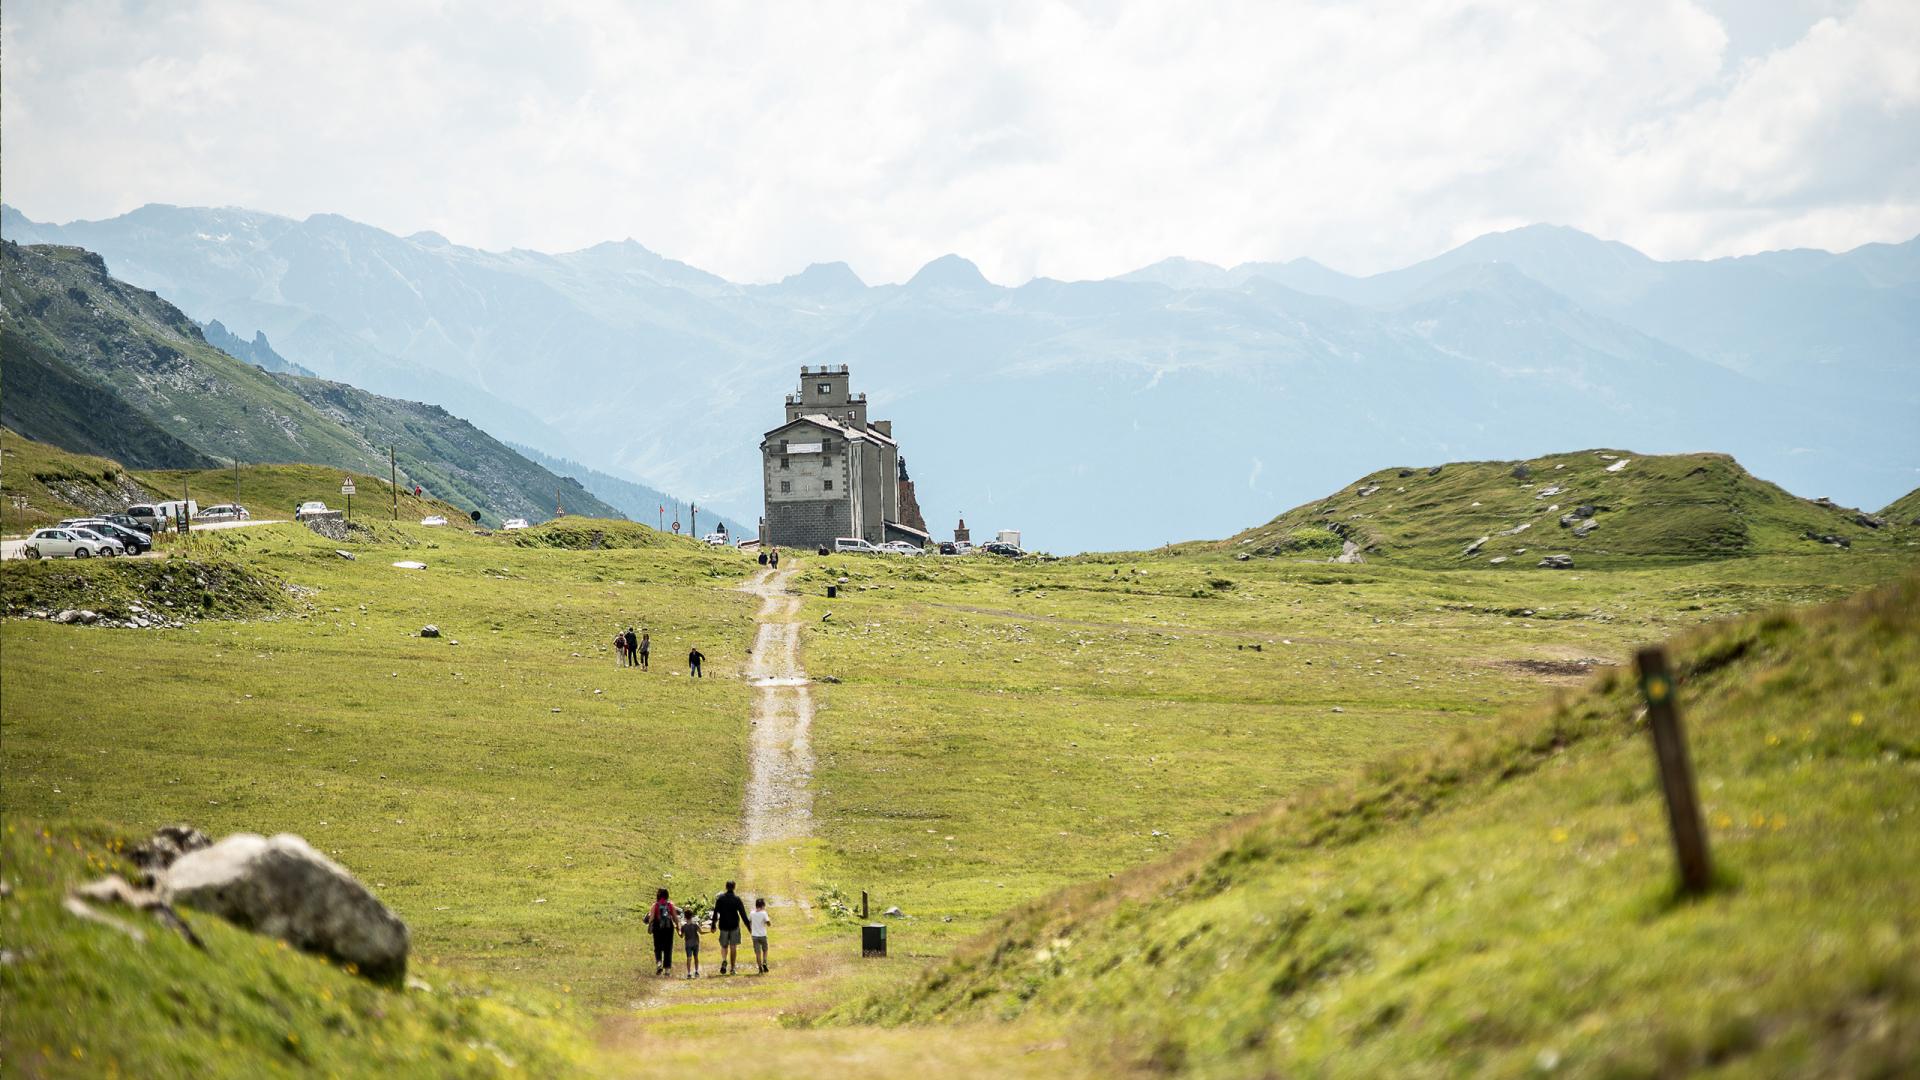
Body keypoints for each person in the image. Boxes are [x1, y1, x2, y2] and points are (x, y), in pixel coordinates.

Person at [710, 881, 748, 975]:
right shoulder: (737, 899)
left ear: (726, 887)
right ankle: (733, 968)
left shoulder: (720, 899)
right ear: (734, 887)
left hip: (723, 925)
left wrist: (713, 925)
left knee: (724, 946)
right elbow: (743, 914)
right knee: (733, 947)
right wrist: (749, 927)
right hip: (734, 926)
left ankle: (724, 960)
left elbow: (715, 912)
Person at [648, 888, 679, 976]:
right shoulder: (670, 905)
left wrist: (650, 926)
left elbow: (652, 918)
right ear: (667, 895)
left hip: (658, 928)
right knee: (668, 948)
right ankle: (667, 970)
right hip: (669, 927)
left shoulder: (655, 905)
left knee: (657, 946)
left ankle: (659, 963)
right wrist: (678, 927)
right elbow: (675, 918)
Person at [748, 897, 772, 974]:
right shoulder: (764, 913)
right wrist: (768, 922)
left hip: (754, 936)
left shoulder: (752, 913)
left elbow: (749, 922)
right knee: (765, 950)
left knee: (758, 953)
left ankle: (760, 968)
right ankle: (764, 962)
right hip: (763, 935)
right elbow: (768, 923)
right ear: (762, 906)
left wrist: (751, 929)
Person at [681, 908, 704, 978]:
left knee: (689, 958)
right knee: (696, 957)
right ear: (692, 916)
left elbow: (681, 936)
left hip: (688, 944)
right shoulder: (695, 925)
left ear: (685, 917)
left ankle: (689, 973)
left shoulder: (684, 926)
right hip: (696, 943)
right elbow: (701, 932)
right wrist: (709, 931)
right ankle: (696, 972)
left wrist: (677, 929)